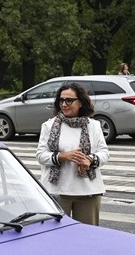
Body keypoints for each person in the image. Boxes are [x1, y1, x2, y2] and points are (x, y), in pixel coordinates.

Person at [35, 82, 108, 225]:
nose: (64, 104)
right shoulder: (49, 125)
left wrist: (90, 160)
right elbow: (40, 155)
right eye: (61, 100)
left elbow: (104, 153)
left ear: (80, 102)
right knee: (56, 238)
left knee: (87, 238)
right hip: (57, 191)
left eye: (69, 100)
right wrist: (62, 156)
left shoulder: (93, 125)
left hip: (88, 190)